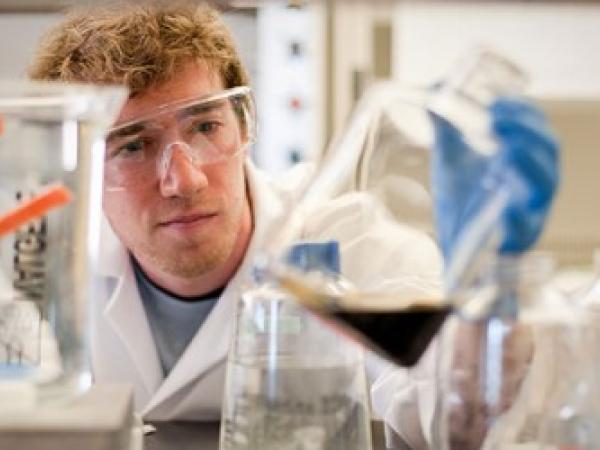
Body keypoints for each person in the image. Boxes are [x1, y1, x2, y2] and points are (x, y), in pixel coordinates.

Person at [28, 1, 559, 444]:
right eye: (136, 145)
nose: (184, 180)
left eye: (206, 126)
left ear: (243, 125)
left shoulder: (344, 236)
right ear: (80, 169)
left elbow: (457, 417)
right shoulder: (36, 267)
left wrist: (489, 284)